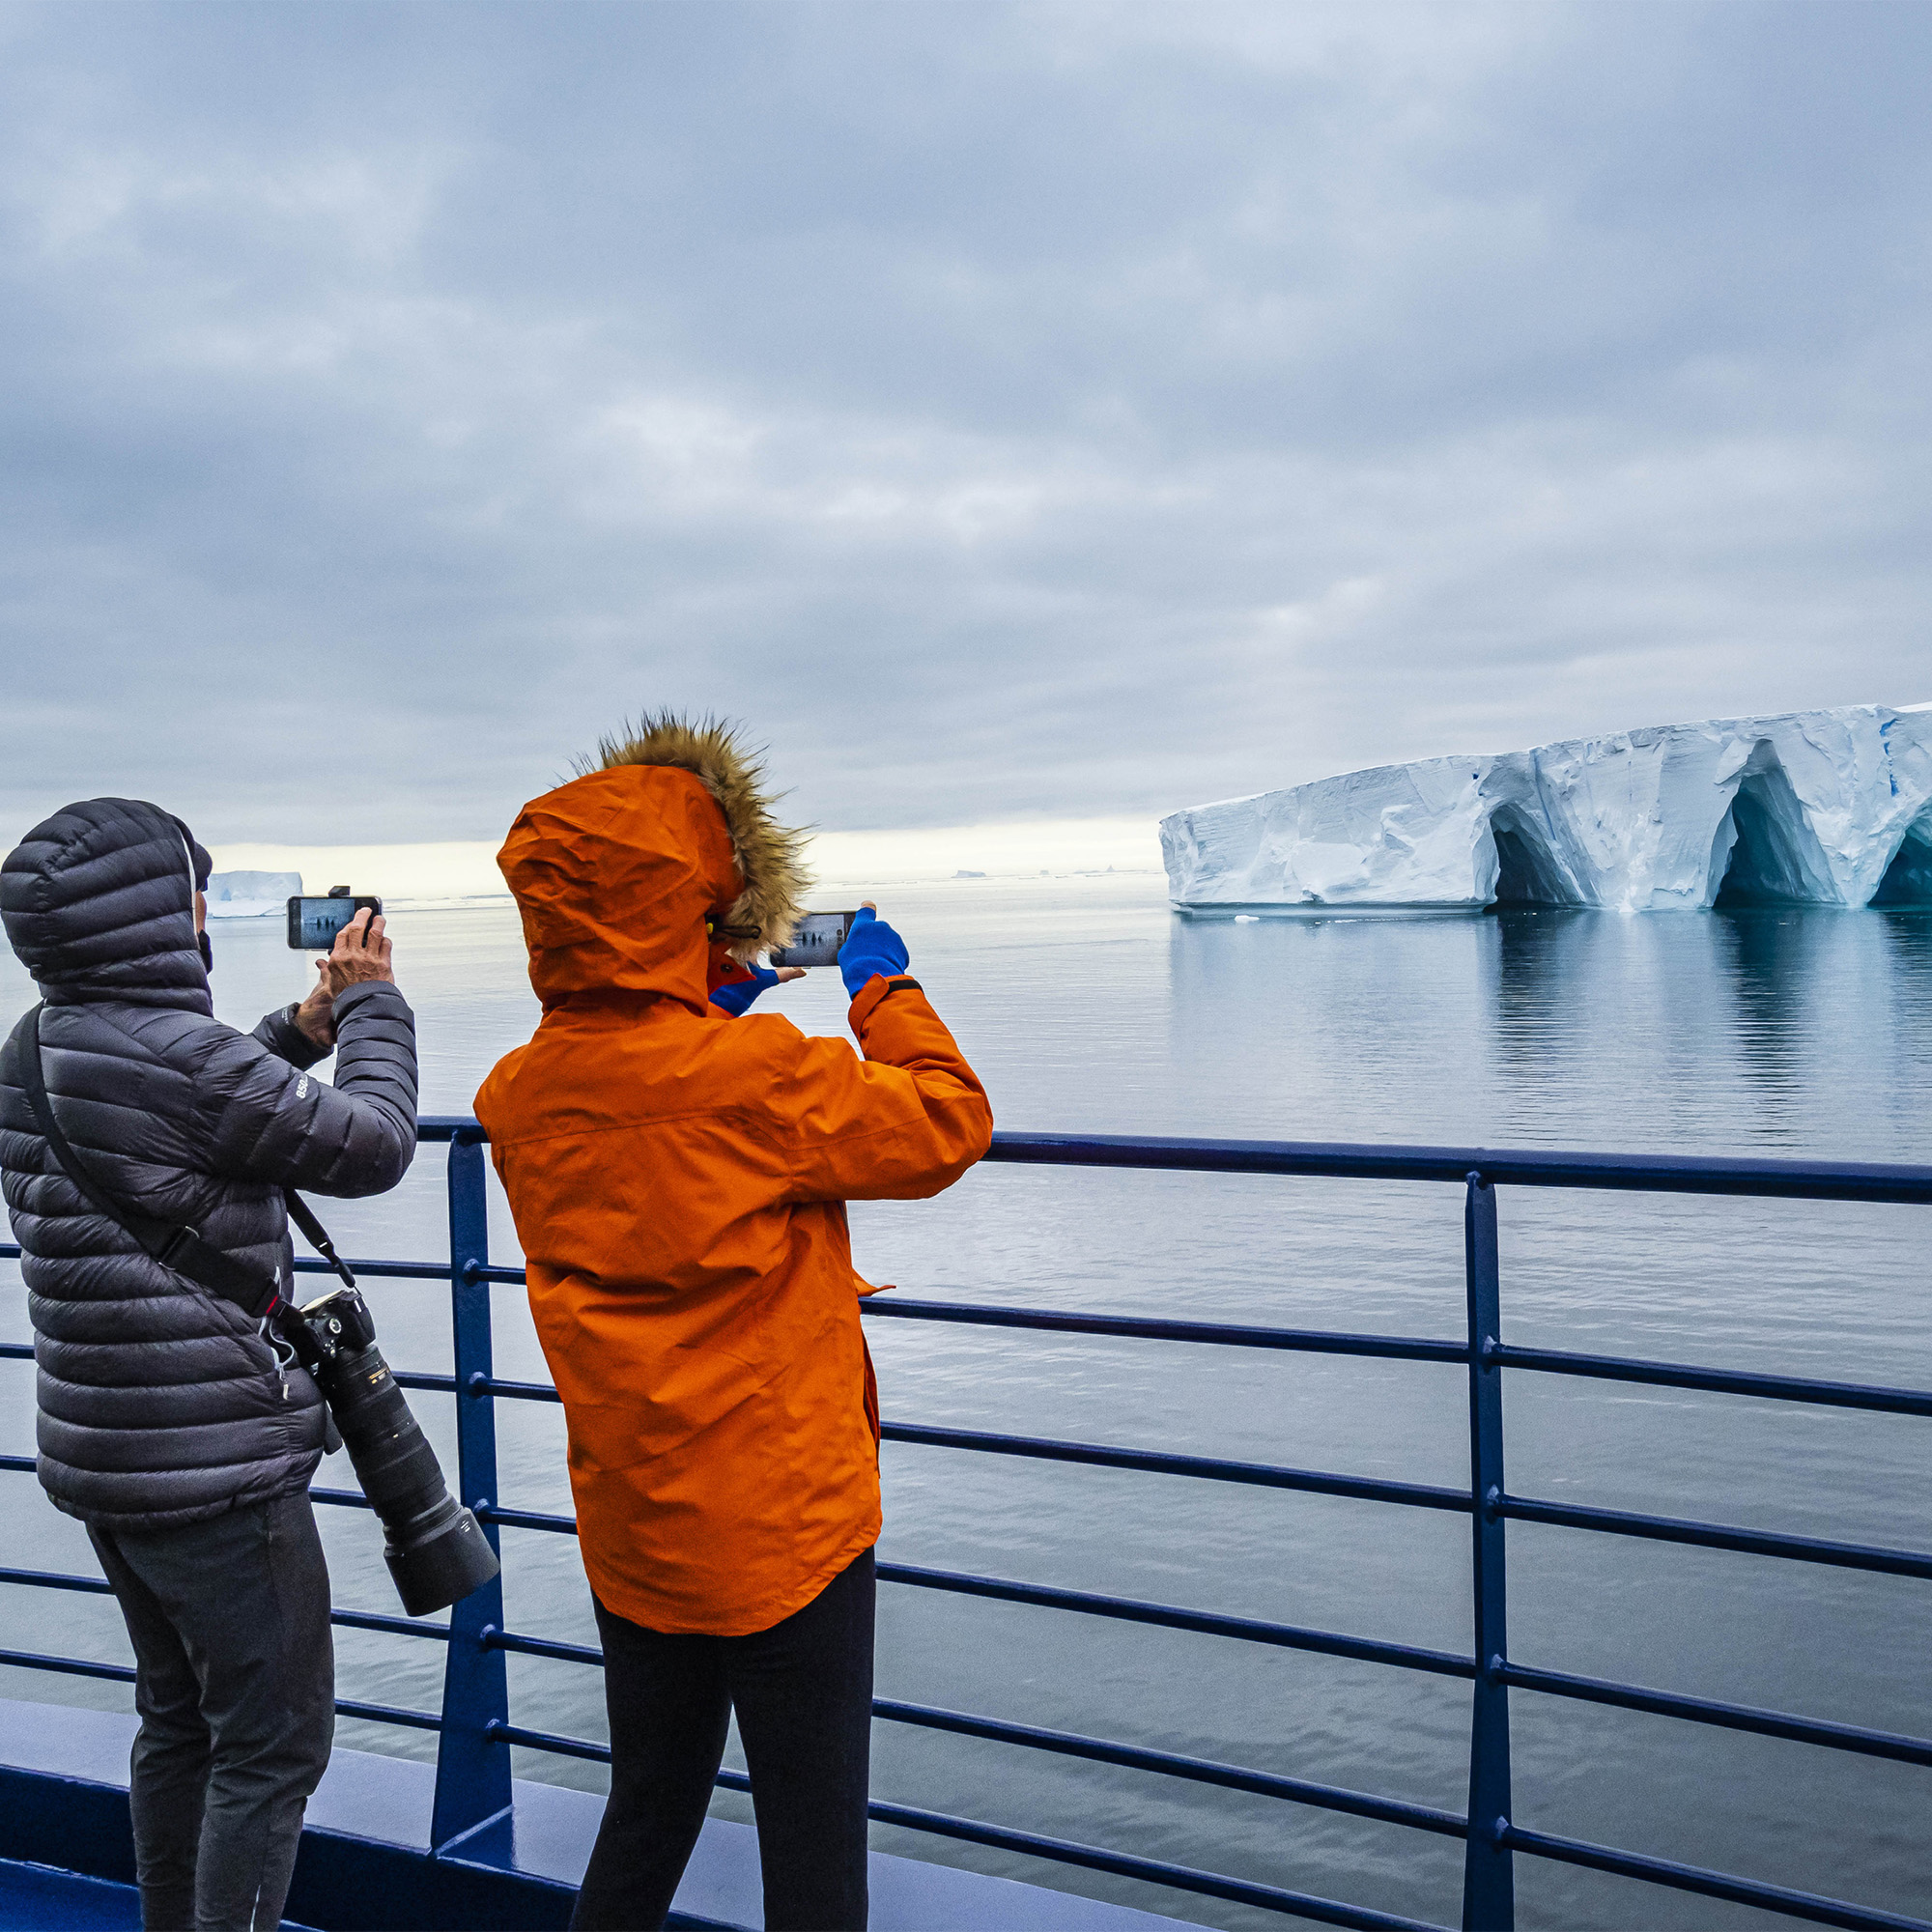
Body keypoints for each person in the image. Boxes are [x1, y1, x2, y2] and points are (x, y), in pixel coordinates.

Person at [474, 717, 993, 1932]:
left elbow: (643, 1115)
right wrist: (884, 988)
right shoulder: (761, 1078)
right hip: (782, 1528)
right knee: (812, 1849)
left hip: (635, 1522)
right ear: (702, 904)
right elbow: (946, 1121)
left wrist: (699, 1006)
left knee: (649, 1802)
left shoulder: (516, 1093)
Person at [0, 798, 419, 1932]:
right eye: (190, 885)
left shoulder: (35, 1043)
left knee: (180, 1719)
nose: (199, 907)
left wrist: (298, 1027)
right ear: (153, 909)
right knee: (274, 1747)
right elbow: (374, 1145)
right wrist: (372, 1005)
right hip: (217, 1470)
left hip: (110, 1455)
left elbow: (178, 1116)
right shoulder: (179, 1058)